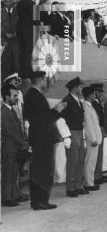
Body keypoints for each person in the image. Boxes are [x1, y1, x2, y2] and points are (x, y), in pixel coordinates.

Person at [24, 71, 66, 210]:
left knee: (38, 169)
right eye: (44, 79)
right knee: (44, 170)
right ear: (41, 80)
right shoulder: (36, 96)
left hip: (38, 138)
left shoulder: (31, 95)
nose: (46, 82)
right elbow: (44, 119)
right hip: (42, 138)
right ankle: (41, 201)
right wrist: (56, 110)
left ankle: (37, 201)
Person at [1, 84, 30, 207]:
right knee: (8, 173)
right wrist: (22, 142)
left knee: (14, 172)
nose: (16, 98)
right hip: (9, 148)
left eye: (17, 95)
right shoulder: (4, 111)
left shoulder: (11, 110)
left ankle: (14, 194)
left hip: (16, 147)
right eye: (14, 95)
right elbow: (9, 130)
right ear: (7, 97)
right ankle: (7, 198)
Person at [61, 77, 88, 198]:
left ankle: (78, 185)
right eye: (80, 87)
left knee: (80, 159)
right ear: (74, 88)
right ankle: (70, 188)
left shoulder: (78, 101)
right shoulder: (66, 100)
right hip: (71, 132)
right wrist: (66, 136)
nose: (81, 89)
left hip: (79, 132)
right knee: (72, 161)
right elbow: (60, 119)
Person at [82, 86, 102, 191]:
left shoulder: (89, 106)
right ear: (89, 95)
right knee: (89, 162)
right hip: (92, 140)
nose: (95, 95)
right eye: (94, 94)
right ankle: (89, 183)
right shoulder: (86, 107)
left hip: (94, 139)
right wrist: (93, 139)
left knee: (91, 162)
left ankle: (90, 181)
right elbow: (88, 125)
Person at [90, 83, 107, 185]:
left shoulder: (97, 103)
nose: (100, 93)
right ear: (94, 92)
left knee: (100, 153)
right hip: (96, 129)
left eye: (101, 91)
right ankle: (96, 176)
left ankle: (98, 173)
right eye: (98, 91)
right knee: (96, 154)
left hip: (100, 128)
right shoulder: (92, 103)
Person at [1, 0, 19, 79]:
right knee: (5, 62)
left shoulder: (18, 12)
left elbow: (21, 24)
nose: (8, 3)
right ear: (3, 2)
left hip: (17, 39)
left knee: (16, 61)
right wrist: (5, 33)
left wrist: (16, 32)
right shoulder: (1, 12)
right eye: (6, 1)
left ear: (13, 1)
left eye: (10, 1)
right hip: (5, 40)